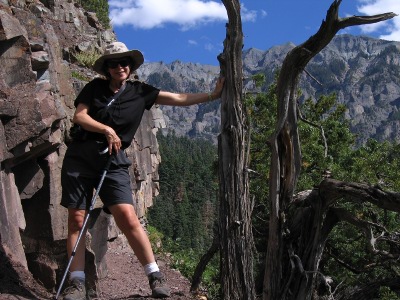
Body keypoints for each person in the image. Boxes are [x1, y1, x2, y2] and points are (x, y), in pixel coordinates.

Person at [60, 41, 224, 300]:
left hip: (113, 161)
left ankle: (155, 275)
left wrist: (213, 95)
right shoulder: (94, 88)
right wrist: (107, 129)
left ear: (131, 65)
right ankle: (77, 283)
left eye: (124, 62)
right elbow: (80, 117)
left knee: (127, 217)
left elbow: (179, 99)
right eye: (113, 63)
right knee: (77, 220)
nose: (119, 66)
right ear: (107, 67)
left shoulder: (140, 92)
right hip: (80, 157)